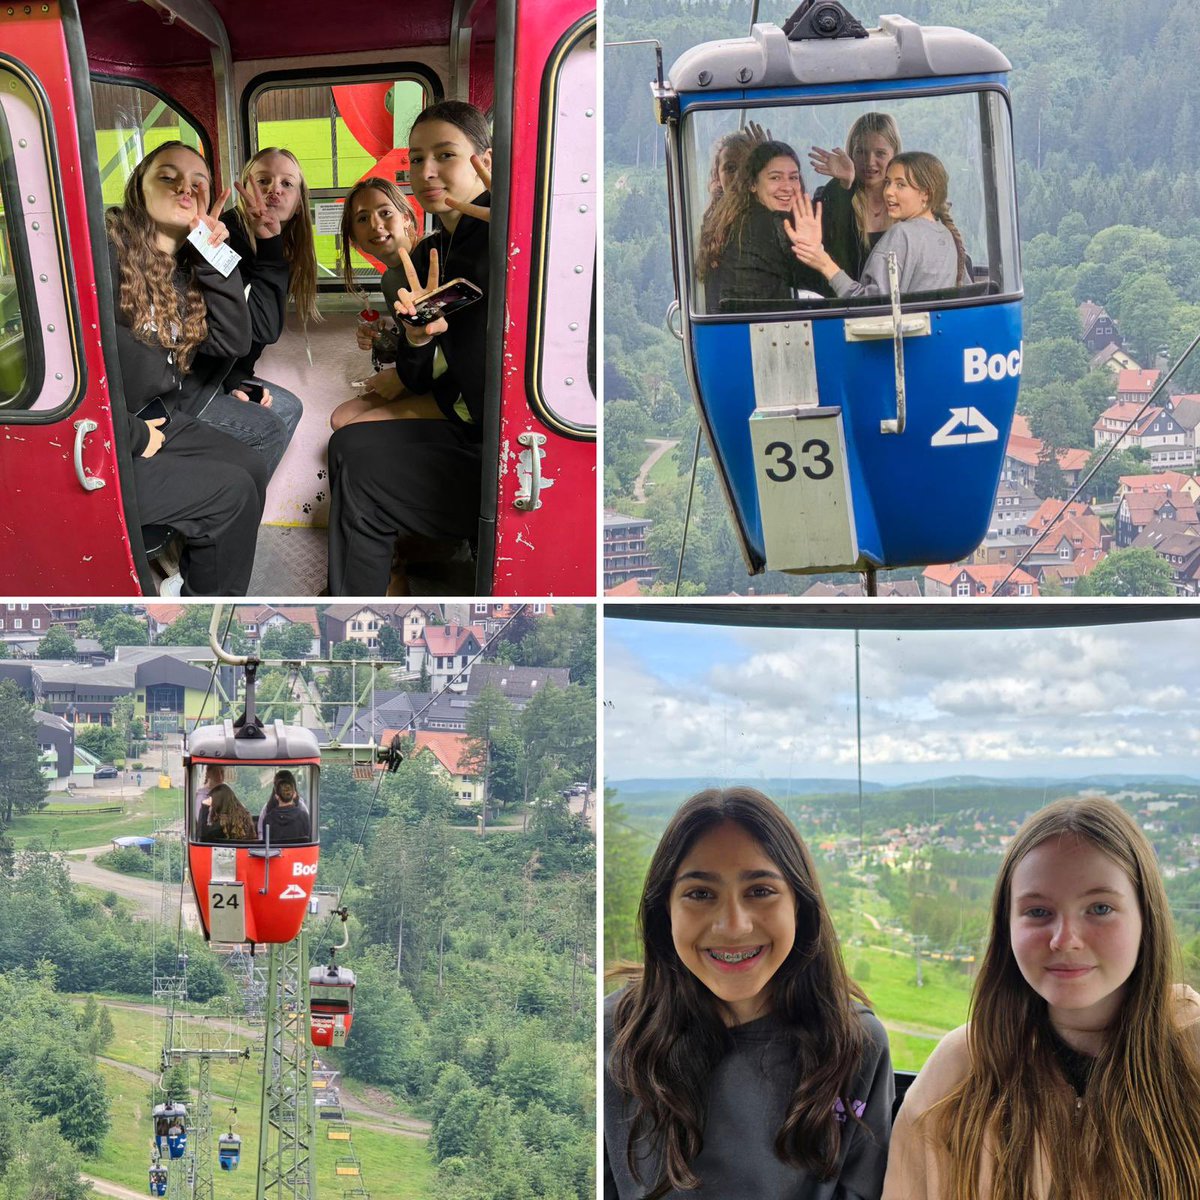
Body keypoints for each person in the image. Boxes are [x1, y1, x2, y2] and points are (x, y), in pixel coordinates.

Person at [882, 797, 1200, 1200]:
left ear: (1145, 916)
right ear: (1007, 924)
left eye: (1100, 908)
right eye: (1037, 912)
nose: (1065, 939)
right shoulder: (957, 1072)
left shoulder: (1192, 1054)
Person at [605, 786, 892, 1199]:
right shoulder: (616, 1034)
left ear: (799, 905)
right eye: (701, 894)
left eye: (760, 891)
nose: (733, 925)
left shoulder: (855, 1045)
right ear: (664, 910)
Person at [326, 100, 492, 595]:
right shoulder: (437, 250)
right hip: (466, 419)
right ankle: (368, 580)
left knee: (363, 480)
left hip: (502, 446)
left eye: (446, 155)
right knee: (346, 445)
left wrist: (516, 213)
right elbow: (419, 374)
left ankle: (359, 601)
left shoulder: (507, 235)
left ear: (484, 159)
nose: (428, 171)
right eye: (417, 159)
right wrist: (417, 337)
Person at [106, 141, 267, 595]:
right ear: (139, 186)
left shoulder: (184, 272)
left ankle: (197, 581)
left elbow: (234, 340)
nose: (186, 188)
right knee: (229, 494)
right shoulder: (106, 254)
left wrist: (213, 256)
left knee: (251, 466)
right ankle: (200, 612)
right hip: (108, 434)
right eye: (168, 176)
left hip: (156, 417)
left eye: (199, 183)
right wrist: (134, 435)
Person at [189, 146, 315, 475]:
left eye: (287, 183)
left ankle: (236, 499)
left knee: (289, 408)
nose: (275, 189)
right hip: (194, 379)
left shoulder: (275, 242)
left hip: (222, 373)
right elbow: (260, 328)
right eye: (263, 180)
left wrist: (238, 379)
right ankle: (230, 508)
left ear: (300, 201)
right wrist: (233, 381)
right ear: (246, 189)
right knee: (269, 427)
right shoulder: (228, 238)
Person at [786, 151, 967, 300]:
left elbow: (871, 307)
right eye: (888, 182)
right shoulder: (945, 234)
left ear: (925, 194)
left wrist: (824, 262)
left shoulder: (902, 234)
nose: (888, 192)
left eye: (900, 185)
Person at [329, 176, 420, 431]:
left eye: (385, 212)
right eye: (362, 219)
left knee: (352, 430)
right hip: (423, 376)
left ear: (406, 218)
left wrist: (402, 379)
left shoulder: (431, 258)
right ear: (354, 239)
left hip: (451, 388)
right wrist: (384, 340)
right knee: (340, 419)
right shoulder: (390, 280)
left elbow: (448, 348)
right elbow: (413, 340)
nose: (376, 225)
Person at [697, 140, 830, 312]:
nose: (787, 187)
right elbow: (821, 288)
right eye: (775, 177)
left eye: (793, 177)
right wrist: (814, 248)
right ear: (752, 184)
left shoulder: (731, 220)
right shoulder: (769, 224)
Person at [808, 112, 902, 283]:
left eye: (880, 153)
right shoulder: (832, 198)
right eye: (861, 152)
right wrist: (844, 185)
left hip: (903, 307)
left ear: (894, 155)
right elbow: (828, 249)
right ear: (850, 154)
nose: (870, 161)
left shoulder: (909, 203)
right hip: (847, 305)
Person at [261, 769, 311, 844]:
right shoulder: (304, 816)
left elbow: (264, 841)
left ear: (276, 795)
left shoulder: (267, 819)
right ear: (294, 794)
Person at [193, 763, 225, 835]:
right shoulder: (202, 797)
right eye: (215, 772)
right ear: (208, 774)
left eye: (222, 772)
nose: (220, 777)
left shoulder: (222, 794)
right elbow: (204, 824)